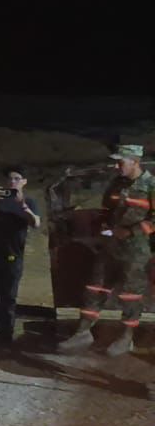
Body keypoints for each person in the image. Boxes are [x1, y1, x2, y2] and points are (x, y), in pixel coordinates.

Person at [60, 144, 154, 356]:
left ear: (135, 162)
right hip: (110, 246)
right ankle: (83, 332)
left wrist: (131, 232)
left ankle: (126, 337)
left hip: (135, 250)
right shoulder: (117, 183)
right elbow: (106, 209)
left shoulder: (151, 185)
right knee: (95, 287)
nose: (116, 166)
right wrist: (103, 226)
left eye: (121, 162)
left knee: (131, 295)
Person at [0, 165, 41, 346]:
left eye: (16, 179)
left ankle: (6, 333)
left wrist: (23, 206)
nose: (12, 182)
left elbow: (36, 223)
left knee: (9, 296)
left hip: (13, 256)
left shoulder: (29, 202)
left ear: (24, 182)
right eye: (10, 179)